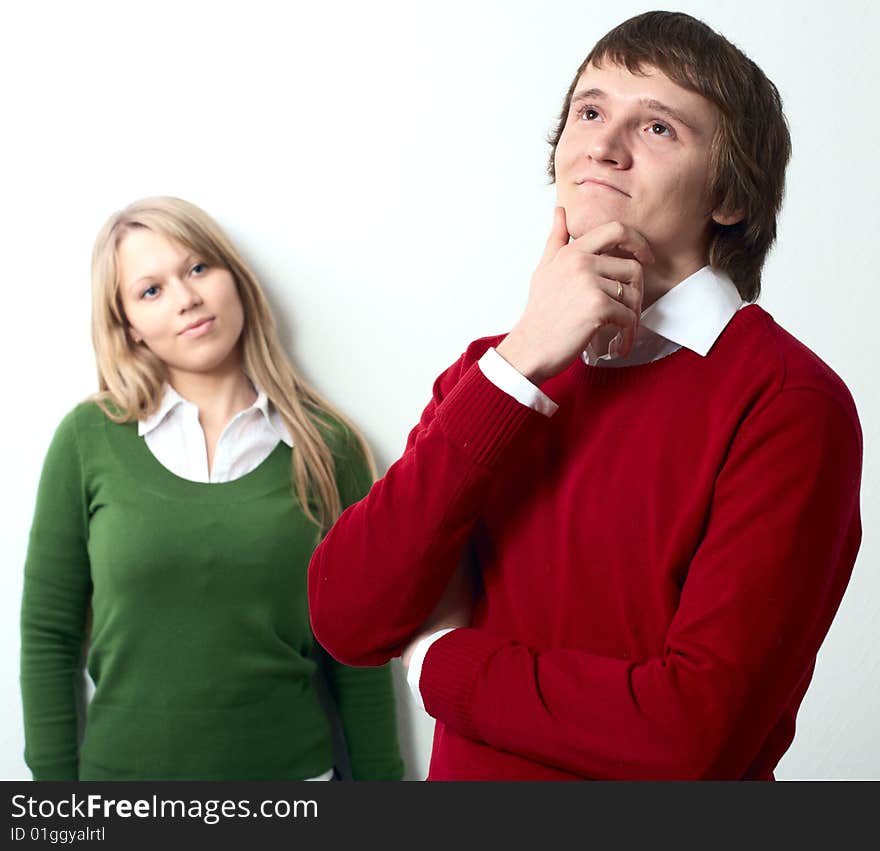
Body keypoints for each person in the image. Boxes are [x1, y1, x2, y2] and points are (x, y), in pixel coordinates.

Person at [308, 11, 863, 780]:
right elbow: (346, 616)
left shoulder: (788, 402)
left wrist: (442, 663)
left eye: (659, 127)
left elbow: (686, 738)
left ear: (730, 196)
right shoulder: (495, 374)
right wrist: (521, 361)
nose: (604, 143)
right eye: (591, 111)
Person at [20, 196, 404, 781]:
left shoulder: (329, 449)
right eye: (151, 290)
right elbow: (48, 637)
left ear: (234, 278)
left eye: (198, 267)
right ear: (130, 327)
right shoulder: (87, 440)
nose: (186, 298)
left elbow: (359, 654)